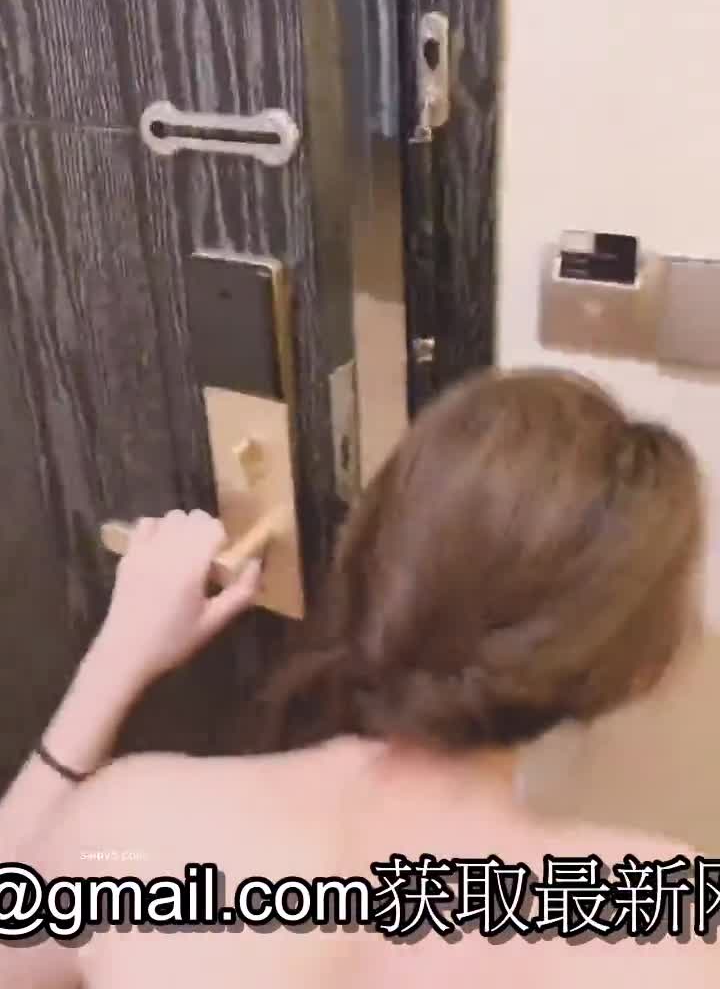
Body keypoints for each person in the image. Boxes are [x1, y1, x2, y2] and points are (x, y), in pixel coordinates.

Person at [0, 367, 714, 986]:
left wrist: (117, 659)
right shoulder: (670, 930)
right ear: (635, 675)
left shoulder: (135, 833)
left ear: (365, 557)